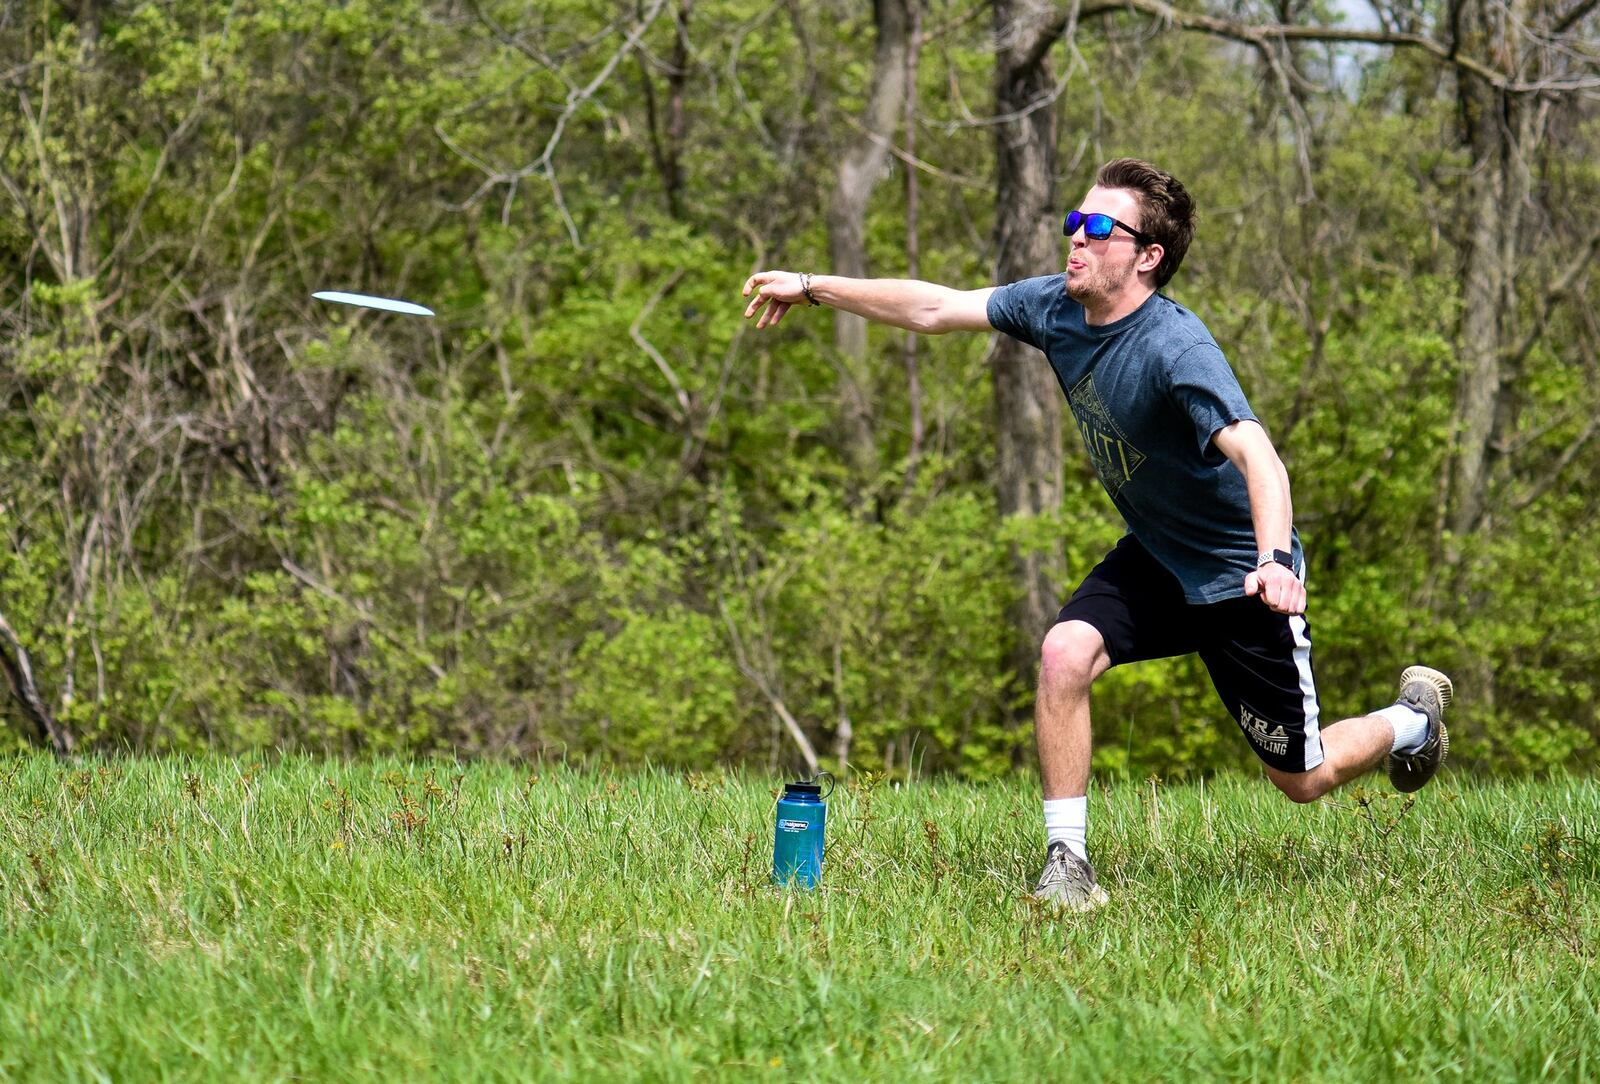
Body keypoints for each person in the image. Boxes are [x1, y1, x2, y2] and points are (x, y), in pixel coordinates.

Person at [740, 157, 1453, 912]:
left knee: (1301, 779)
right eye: (1075, 221)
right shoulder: (1055, 309)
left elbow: (1260, 457)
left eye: (1099, 227)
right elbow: (933, 307)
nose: (1075, 238)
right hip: (1155, 555)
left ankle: (1411, 721)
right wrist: (813, 287)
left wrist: (1276, 562)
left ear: (1147, 257)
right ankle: (1067, 863)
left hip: (1237, 573)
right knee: (1063, 652)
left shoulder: (1176, 349)